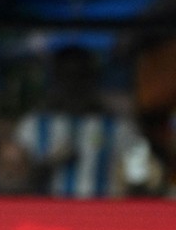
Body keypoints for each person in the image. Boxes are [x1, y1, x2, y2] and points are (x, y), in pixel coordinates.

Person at [12, 45, 158, 198]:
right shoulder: (32, 126)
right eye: (66, 76)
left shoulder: (119, 129)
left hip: (102, 210)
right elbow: (13, 181)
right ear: (56, 79)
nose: (73, 85)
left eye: (80, 76)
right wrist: (47, 164)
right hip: (45, 211)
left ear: (92, 79)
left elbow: (141, 176)